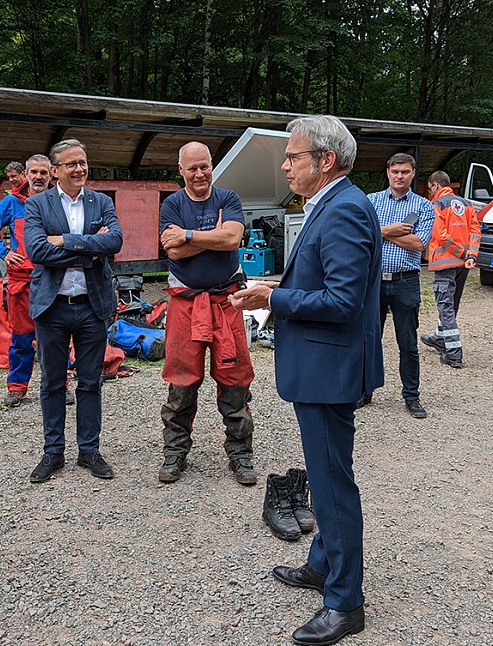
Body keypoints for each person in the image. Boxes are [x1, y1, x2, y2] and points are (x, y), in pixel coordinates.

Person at [230, 115, 383, 646]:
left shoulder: (342, 210)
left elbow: (342, 303)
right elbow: (323, 280)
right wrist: (276, 284)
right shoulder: (335, 204)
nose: (286, 164)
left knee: (333, 484)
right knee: (324, 476)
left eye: (294, 156)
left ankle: (346, 602)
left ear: (326, 161)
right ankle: (322, 565)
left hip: (328, 371)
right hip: (324, 367)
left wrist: (273, 297)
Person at [23, 139, 122, 483]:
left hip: (91, 306)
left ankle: (89, 450)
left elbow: (115, 242)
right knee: (52, 381)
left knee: (91, 381)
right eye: (71, 164)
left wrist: (64, 240)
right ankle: (53, 452)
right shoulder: (37, 204)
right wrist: (89, 249)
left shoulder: (102, 201)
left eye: (82, 162)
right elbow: (36, 250)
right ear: (55, 171)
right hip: (52, 307)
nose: (79, 169)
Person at [157, 141, 256, 486]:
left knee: (235, 378)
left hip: (227, 302)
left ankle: (241, 453)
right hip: (186, 304)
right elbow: (173, 252)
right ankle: (175, 452)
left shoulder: (228, 198)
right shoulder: (172, 203)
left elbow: (232, 241)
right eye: (192, 168)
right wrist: (213, 234)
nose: (199, 174)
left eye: (205, 166)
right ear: (180, 170)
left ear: (212, 166)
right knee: (181, 380)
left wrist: (188, 235)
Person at [360, 153, 434, 419]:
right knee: (369, 339)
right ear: (388, 172)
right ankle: (364, 392)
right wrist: (393, 230)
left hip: (406, 282)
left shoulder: (424, 206)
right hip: (374, 281)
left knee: (408, 343)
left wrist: (380, 232)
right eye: (395, 172)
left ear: (413, 173)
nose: (399, 176)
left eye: (405, 172)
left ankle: (411, 397)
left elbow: (419, 244)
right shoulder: (372, 200)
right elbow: (363, 233)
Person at [0, 154, 53, 407]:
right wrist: (4, 252)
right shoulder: (12, 202)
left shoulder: (60, 200)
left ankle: (58, 385)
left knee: (55, 336)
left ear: (51, 173)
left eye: (43, 172)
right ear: (27, 174)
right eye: (34, 172)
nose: (39, 177)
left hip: (53, 278)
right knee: (21, 336)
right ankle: (17, 386)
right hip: (22, 280)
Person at [420, 171, 480, 368]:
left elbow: (442, 235)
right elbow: (475, 231)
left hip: (446, 262)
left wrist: (461, 253)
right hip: (464, 264)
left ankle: (454, 352)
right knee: (451, 304)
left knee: (445, 305)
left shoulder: (436, 205)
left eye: (430, 187)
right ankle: (439, 337)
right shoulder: (467, 204)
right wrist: (470, 255)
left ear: (436, 185)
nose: (429, 191)